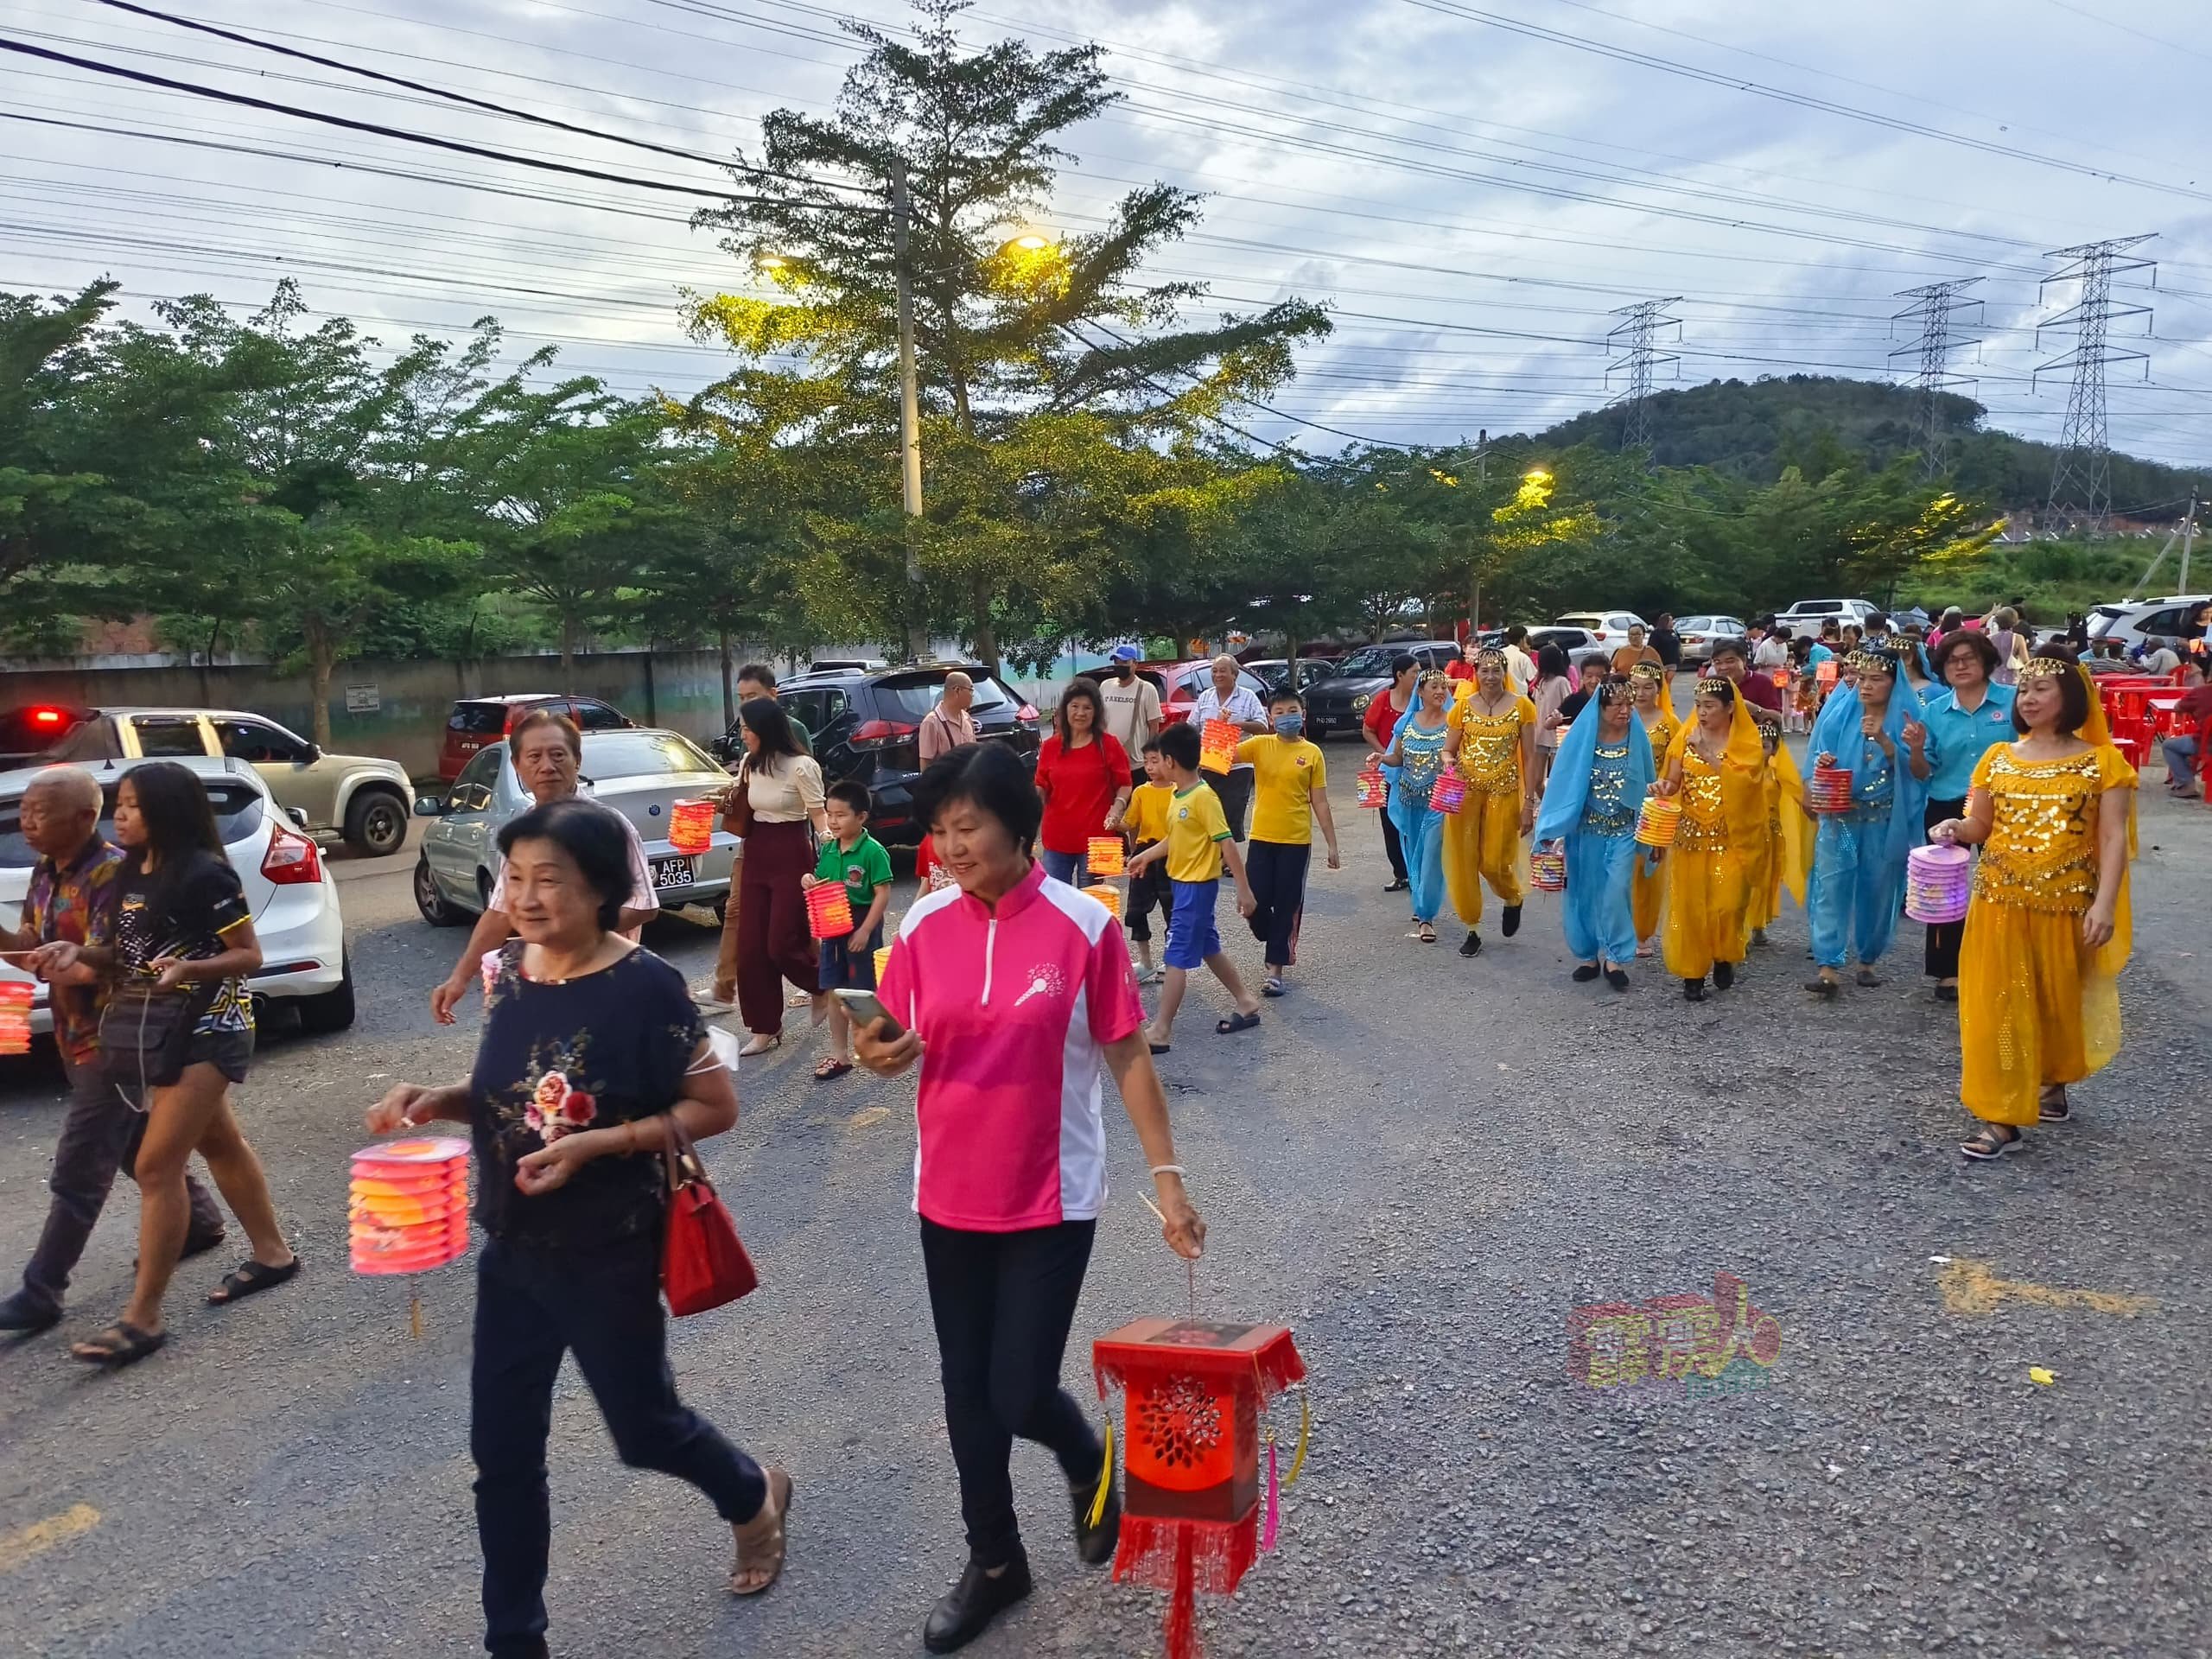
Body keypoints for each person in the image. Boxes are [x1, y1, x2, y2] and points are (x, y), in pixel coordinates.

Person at [366, 799, 790, 1653]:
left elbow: (715, 1107)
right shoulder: (513, 968)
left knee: (645, 1432)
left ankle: (752, 1495)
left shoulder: (645, 987)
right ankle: (514, 1638)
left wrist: (602, 1144)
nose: (523, 897)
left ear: (600, 889)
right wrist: (437, 1101)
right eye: (514, 877)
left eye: (546, 880)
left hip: (610, 1251)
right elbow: (515, 1089)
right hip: (512, 1250)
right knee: (503, 1455)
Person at [850, 743, 1204, 1653]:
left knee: (1016, 1390)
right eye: (937, 831)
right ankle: (996, 1560)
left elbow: (1125, 1051)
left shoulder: (1083, 924)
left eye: (966, 825)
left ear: (1016, 822)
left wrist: (1167, 1181)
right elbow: (893, 1034)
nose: (950, 846)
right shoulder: (923, 925)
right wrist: (877, 1052)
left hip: (1051, 1196)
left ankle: (1088, 1457)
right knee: (965, 1394)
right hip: (948, 1195)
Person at [25, 762, 296, 1365]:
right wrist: (77, 951)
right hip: (157, 1029)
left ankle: (142, 1319)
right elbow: (121, 954)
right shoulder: (129, 873)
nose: (116, 816)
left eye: (130, 807)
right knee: (221, 1145)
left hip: (212, 1026)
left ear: (166, 812)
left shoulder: (205, 874)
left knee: (155, 1166)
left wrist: (190, 970)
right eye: (117, 806)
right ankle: (274, 1254)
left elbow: (248, 954)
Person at [0, 767, 226, 1336]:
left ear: (83, 817)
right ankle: (197, 1222)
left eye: (40, 812)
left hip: (119, 1033)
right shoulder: (47, 872)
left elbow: (120, 957)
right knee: (128, 1142)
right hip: (79, 1034)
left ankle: (42, 1289)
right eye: (24, 811)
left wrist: (72, 960)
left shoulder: (116, 874)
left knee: (80, 1167)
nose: (27, 822)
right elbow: (32, 950)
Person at [1930, 653, 2135, 1159]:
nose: (2030, 698)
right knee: (1998, 1005)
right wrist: (1954, 830)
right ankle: (2000, 1115)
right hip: (1999, 903)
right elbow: (1980, 826)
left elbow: (2112, 840)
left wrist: (2104, 906)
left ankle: (2053, 1080)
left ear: (2069, 697)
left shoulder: (2102, 763)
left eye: (2042, 688)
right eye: (2024, 690)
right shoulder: (1997, 757)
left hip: (2067, 905)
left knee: (2056, 1002)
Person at [435, 709, 658, 1024]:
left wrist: (569, 934)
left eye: (557, 755)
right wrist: (459, 979)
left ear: (577, 760)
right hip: (543, 988)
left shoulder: (608, 828)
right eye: (534, 757)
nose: (547, 767)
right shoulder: (523, 832)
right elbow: (499, 914)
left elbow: (644, 907)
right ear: (517, 766)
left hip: (607, 987)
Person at [1128, 721, 1262, 1048]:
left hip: (1197, 887)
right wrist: (1146, 856)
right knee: (1207, 947)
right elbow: (1176, 838)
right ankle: (1246, 1001)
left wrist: (1244, 889)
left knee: (1175, 956)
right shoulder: (1179, 794)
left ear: (1171, 761)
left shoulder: (1204, 798)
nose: (1158, 766)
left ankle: (1161, 1029)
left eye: (1160, 759)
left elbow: (1226, 843)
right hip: (1183, 883)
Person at [1805, 648, 1929, 995]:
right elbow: (1817, 754)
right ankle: (1828, 964)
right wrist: (1823, 763)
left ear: (1894, 682)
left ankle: (1868, 959)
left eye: (1877, 679)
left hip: (1883, 821)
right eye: (1863, 678)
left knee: (1878, 889)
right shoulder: (1840, 714)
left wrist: (1887, 743)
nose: (1866, 686)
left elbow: (1921, 773)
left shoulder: (1909, 717)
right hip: (1840, 817)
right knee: (1831, 887)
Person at [701, 672, 812, 1012]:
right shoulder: (748, 748)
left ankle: (820, 981)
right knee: (742, 921)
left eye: (753, 696)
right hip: (754, 842)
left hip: (789, 844)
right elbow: (744, 790)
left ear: (772, 695)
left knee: (786, 932)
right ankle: (737, 998)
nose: (746, 706)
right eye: (742, 697)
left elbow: (807, 802)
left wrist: (829, 846)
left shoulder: (793, 739)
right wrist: (720, 801)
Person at [1916, 631, 2017, 999]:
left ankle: (2007, 962)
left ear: (1987, 661)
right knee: (1945, 890)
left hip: (2006, 805)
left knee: (2006, 882)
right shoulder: (1934, 711)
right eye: (1951, 660)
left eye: (1968, 658)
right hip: (1946, 804)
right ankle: (1947, 971)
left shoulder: (2013, 702)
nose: (1960, 666)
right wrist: (1913, 749)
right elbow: (1923, 770)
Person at [1533, 679, 1650, 990]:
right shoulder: (1580, 738)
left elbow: (1649, 785)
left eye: (1629, 704)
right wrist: (1552, 827)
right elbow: (1562, 783)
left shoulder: (1638, 739)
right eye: (1617, 706)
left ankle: (1615, 956)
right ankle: (1587, 955)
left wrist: (1653, 836)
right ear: (1601, 708)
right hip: (1585, 831)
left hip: (1623, 830)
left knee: (1616, 890)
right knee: (1582, 893)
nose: (1625, 711)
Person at [1651, 680, 1765, 1001]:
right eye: (1698, 704)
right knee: (1691, 908)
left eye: (1710, 705)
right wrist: (1662, 786)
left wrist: (1707, 753)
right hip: (1690, 839)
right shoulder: (1684, 740)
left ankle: (1724, 954)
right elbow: (1673, 780)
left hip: (1731, 839)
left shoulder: (1746, 742)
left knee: (1727, 905)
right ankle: (1693, 973)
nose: (1701, 712)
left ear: (1730, 708)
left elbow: (1747, 785)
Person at [731, 697, 829, 1057]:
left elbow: (819, 818)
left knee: (783, 942)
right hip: (757, 852)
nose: (742, 735)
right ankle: (765, 1027)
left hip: (792, 853)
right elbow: (743, 806)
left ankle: (821, 987)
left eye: (746, 728)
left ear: (765, 730)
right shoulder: (748, 763)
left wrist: (833, 854)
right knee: (751, 948)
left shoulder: (802, 766)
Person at [1236, 688, 1341, 997]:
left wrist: (1332, 844)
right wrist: (1222, 725)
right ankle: (1276, 940)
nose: (1285, 717)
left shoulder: (1312, 753)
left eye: (1292, 711)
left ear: (1303, 714)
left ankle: (1275, 969)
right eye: (1279, 712)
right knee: (1253, 903)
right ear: (1269, 717)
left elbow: (1319, 802)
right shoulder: (1259, 745)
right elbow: (1219, 759)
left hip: (1295, 841)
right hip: (1261, 838)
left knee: (1285, 903)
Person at [1445, 649, 1538, 956]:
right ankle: (1472, 929)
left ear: (1504, 672)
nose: (1489, 676)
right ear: (1475, 673)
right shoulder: (1462, 708)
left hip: (1505, 791)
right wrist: (1447, 763)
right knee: (1465, 860)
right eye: (1484, 670)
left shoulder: (1522, 707)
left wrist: (1529, 804)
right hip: (1466, 794)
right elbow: (1449, 749)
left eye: (1495, 670)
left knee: (1494, 861)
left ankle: (1512, 896)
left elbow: (1530, 757)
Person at [804, 779, 893, 1081]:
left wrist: (866, 930)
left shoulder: (872, 851)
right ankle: (840, 1053)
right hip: (833, 925)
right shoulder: (828, 850)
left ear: (861, 817)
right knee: (833, 987)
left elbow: (882, 892)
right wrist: (808, 880)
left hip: (861, 921)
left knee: (863, 989)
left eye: (841, 815)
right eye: (829, 814)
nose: (832, 820)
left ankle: (877, 1044)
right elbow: (822, 883)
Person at [1369, 670, 1453, 943]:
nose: (1440, 691)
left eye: (1443, 687)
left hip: (1438, 803)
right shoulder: (1407, 724)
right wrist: (1380, 757)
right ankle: (1420, 904)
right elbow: (1397, 758)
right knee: (1414, 856)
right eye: (1434, 687)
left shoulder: (1454, 724)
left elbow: (1458, 759)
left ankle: (1426, 916)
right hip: (1409, 799)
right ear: (1421, 692)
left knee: (1431, 856)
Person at [1033, 679, 1132, 889]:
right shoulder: (1051, 746)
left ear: (1096, 712)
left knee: (1094, 902)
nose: (1080, 713)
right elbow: (1040, 785)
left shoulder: (1109, 744)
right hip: (1057, 839)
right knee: (1056, 902)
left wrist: (1117, 807)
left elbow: (1125, 784)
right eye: (1074, 706)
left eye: (1087, 707)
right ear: (1065, 710)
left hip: (1099, 839)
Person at [1628, 663, 1680, 959]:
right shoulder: (1620, 716)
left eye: (1649, 686)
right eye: (1635, 686)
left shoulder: (1670, 723)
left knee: (1649, 869)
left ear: (1660, 689)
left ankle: (1643, 931)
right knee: (1621, 868)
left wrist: (1664, 790)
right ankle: (1618, 927)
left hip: (1655, 806)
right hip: (1621, 802)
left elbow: (1676, 767)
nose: (1641, 693)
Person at [1190, 655, 1267, 839]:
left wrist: (1238, 725)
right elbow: (1191, 726)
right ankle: (1214, 860)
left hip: (1238, 767)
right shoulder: (1205, 697)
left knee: (1232, 814)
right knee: (1208, 815)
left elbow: (1263, 727)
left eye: (1223, 671)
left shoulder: (1248, 697)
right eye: (1214, 671)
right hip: (1209, 765)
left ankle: (1228, 864)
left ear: (1235, 674)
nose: (1218, 675)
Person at [1362, 652, 1419, 893]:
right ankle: (1400, 873)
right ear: (1400, 675)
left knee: (1415, 821)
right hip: (1386, 771)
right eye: (1415, 672)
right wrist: (1383, 754)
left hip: (1416, 771)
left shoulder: (1422, 700)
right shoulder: (1383, 699)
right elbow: (1368, 730)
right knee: (1389, 822)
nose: (1419, 676)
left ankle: (1417, 870)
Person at [1122, 738, 1175, 982]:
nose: (1150, 767)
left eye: (1155, 761)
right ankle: (1145, 962)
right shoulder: (1141, 791)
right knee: (1135, 909)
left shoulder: (1179, 791)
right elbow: (1130, 822)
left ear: (1169, 761)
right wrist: (1114, 820)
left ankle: (1170, 961)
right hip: (1144, 852)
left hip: (1172, 854)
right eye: (1146, 762)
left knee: (1172, 909)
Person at [1096, 647, 1162, 779]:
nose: (1120, 666)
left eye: (1124, 662)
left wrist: (1149, 757)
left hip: (1136, 763)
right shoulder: (1105, 686)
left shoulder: (1147, 689)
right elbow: (1099, 720)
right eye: (1117, 662)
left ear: (1135, 664)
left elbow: (1154, 727)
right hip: (1109, 761)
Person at [2158, 657, 2212, 797]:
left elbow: (2177, 708)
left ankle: (2186, 784)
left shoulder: (2201, 693)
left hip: (2207, 744)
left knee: (2169, 745)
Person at [1710, 638, 1783, 724]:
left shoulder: (1762, 682)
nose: (1723, 667)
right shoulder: (1711, 685)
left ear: (1744, 660)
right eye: (1718, 662)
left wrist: (1755, 709)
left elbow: (1777, 718)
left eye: (1730, 661)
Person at [1529, 643, 1573, 791]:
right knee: (1536, 782)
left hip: (1557, 738)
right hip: (1540, 736)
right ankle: (1544, 808)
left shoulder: (1561, 682)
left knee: (1556, 781)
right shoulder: (1540, 683)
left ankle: (1551, 811)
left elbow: (1569, 706)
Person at [1986, 606, 2027, 687]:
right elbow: (2025, 661)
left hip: (1993, 680)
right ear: (2015, 621)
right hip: (2011, 681)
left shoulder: (1989, 639)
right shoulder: (2018, 638)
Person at [1500, 625, 1539, 698]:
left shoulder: (1500, 654)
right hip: (1519, 697)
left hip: (1502, 696)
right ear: (1522, 639)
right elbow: (1534, 677)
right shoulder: (1523, 657)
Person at [1649, 613, 1683, 684]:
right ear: (1665, 621)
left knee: (1668, 682)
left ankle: (1668, 695)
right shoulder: (1656, 633)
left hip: (1672, 661)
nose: (1672, 622)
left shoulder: (1673, 632)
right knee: (1661, 682)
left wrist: (1681, 653)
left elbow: (1679, 643)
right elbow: (1651, 647)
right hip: (1661, 662)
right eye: (1670, 620)